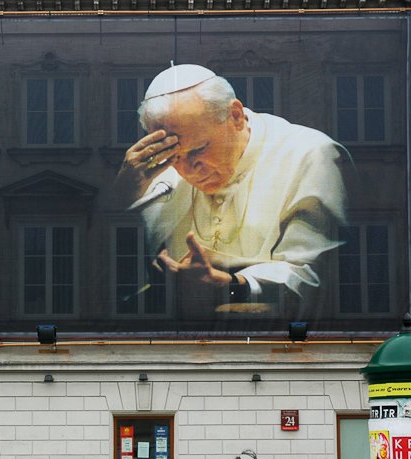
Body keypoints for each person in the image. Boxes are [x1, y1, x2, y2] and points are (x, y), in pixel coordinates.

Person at [115, 64, 351, 310]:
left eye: (198, 150)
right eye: (174, 156)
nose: (187, 169)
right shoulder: (152, 173)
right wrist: (122, 196)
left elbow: (318, 275)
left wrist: (232, 286)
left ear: (235, 116)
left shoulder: (311, 156)